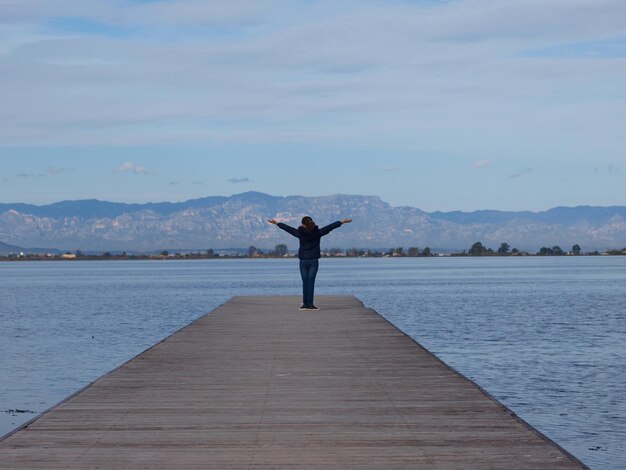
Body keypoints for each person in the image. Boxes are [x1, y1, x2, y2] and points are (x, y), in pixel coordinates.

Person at [268, 216, 352, 310]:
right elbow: (329, 227)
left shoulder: (300, 233)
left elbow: (289, 229)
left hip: (303, 260)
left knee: (305, 282)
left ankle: (305, 304)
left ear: (303, 224)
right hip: (313, 261)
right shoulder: (318, 232)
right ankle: (310, 305)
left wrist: (277, 223)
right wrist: (342, 221)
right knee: (311, 282)